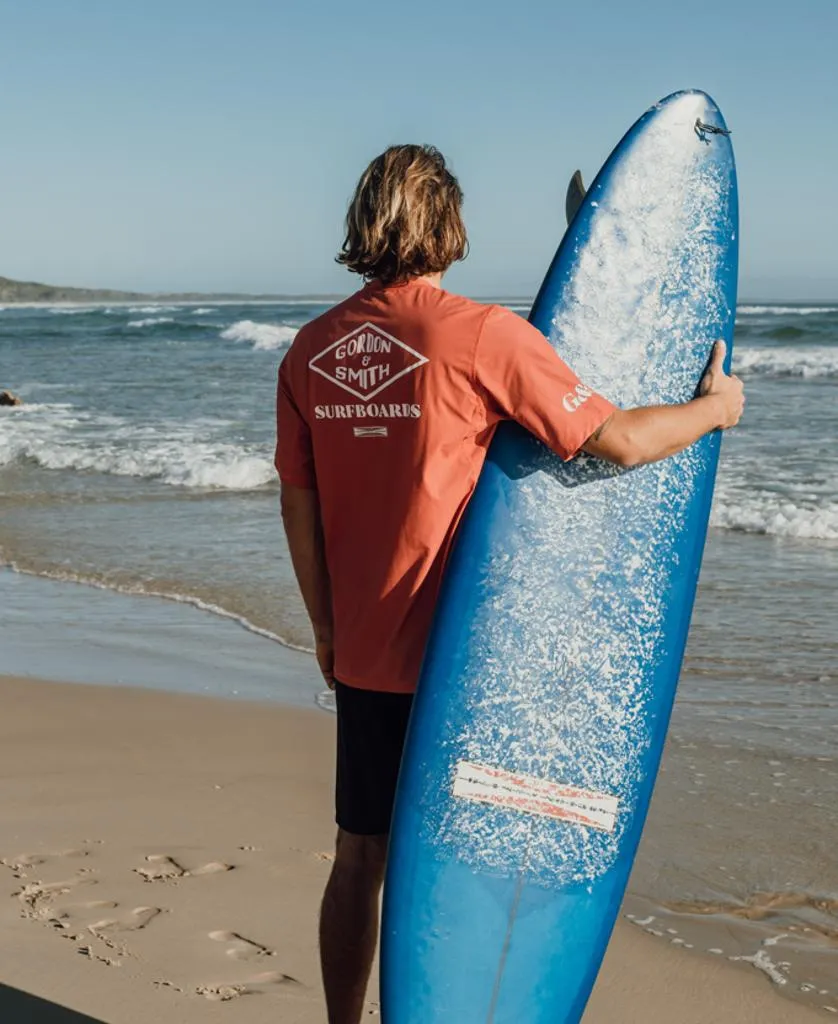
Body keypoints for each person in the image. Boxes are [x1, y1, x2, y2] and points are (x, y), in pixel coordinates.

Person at [275, 144, 744, 1024]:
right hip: (476, 667)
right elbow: (621, 440)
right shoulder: (480, 334)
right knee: (474, 863)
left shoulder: (310, 351)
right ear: (449, 224)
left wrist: (328, 629)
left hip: (369, 656)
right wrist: (716, 408)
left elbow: (299, 512)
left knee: (359, 856)